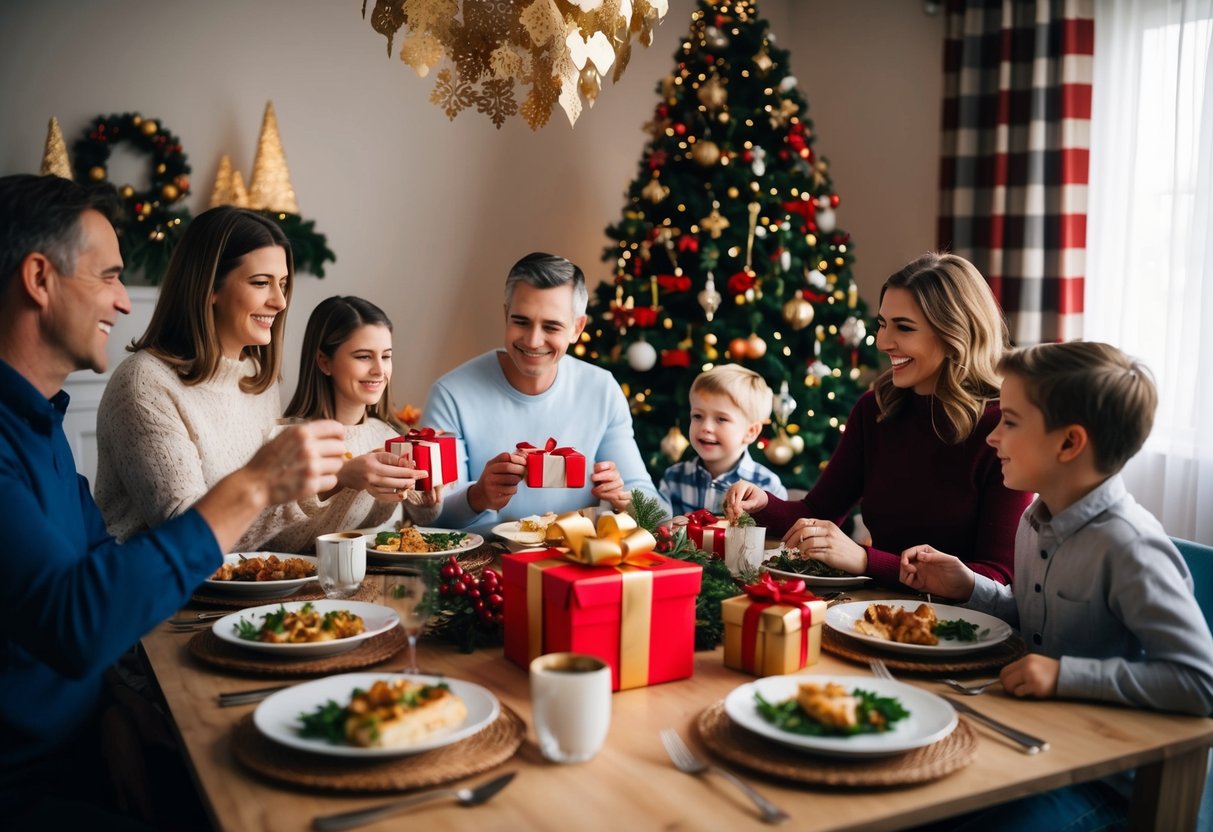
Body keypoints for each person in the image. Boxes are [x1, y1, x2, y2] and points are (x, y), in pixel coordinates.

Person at [0, 174, 345, 824]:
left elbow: (92, 578)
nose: (123, 302)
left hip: (92, 730)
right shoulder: (97, 403)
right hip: (32, 785)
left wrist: (119, 711)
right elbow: (74, 623)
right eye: (107, 277)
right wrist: (255, 484)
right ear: (39, 279)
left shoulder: (43, 422)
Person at [900, 341, 1213, 829]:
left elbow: (1200, 682)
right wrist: (969, 588)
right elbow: (1035, 619)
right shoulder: (1035, 520)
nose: (992, 438)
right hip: (1034, 745)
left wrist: (1065, 676)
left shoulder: (1130, 547)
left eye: (1011, 422)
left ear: (1069, 444)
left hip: (1108, 782)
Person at [93, 207, 404, 550]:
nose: (280, 301)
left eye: (283, 284)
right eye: (261, 283)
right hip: (157, 597)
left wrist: (342, 485)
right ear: (210, 287)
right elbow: (187, 538)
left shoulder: (256, 380)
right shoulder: (145, 385)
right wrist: (328, 482)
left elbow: (271, 536)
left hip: (242, 591)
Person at [724, 252, 1031, 587]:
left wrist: (864, 559)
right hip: (869, 611)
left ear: (954, 333)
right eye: (882, 323)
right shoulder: (876, 409)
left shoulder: (1001, 427)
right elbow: (817, 511)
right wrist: (762, 503)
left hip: (961, 630)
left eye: (904, 327)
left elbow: (998, 578)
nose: (883, 342)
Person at [423, 251, 663, 535]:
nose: (533, 340)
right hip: (485, 563)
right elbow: (430, 517)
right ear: (505, 315)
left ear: (577, 328)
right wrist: (477, 496)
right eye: (521, 322)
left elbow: (658, 514)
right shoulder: (451, 394)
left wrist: (624, 497)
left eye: (551, 326)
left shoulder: (601, 390)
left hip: (578, 558)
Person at [266, 296, 442, 551]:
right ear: (325, 362)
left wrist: (425, 501)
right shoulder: (289, 441)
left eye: (386, 356)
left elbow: (409, 526)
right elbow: (278, 541)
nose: (379, 370)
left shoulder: (389, 436)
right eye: (363, 357)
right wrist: (344, 479)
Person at [659, 363, 787, 516]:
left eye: (721, 419)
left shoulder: (768, 486)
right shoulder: (674, 478)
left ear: (751, 432)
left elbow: (778, 537)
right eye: (697, 416)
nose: (705, 427)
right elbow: (659, 530)